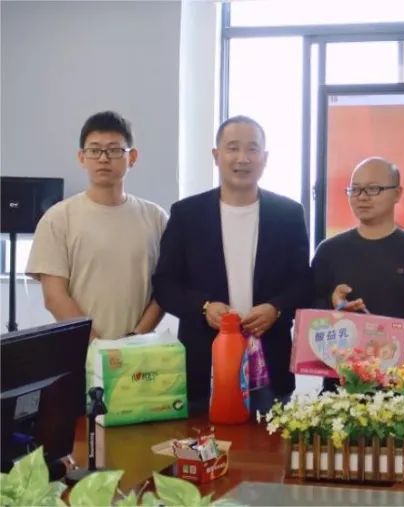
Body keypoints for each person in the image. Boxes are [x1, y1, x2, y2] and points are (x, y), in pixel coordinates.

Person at [153, 115, 311, 415]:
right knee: (203, 443)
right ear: (216, 155)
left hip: (270, 365)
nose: (242, 158)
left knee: (267, 444)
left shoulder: (288, 214)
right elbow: (165, 283)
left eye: (252, 149)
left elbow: (303, 281)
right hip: (204, 367)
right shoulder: (187, 214)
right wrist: (203, 307)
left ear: (265, 158)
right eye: (233, 148)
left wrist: (275, 308)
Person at [27, 111, 167, 340]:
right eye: (94, 150)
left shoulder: (156, 218)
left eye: (114, 150)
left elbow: (165, 289)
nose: (103, 158)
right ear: (82, 157)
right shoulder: (58, 218)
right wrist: (97, 346)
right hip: (79, 350)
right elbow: (54, 297)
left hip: (139, 351)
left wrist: (134, 338)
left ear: (132, 157)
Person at [313, 157, 404, 392]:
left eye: (373, 189)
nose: (362, 197)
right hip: (342, 387)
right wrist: (334, 307)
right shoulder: (329, 250)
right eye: (355, 189)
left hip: (401, 388)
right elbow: (310, 315)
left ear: (397, 193)